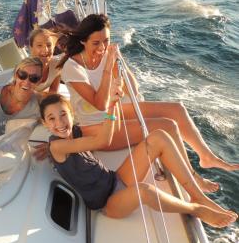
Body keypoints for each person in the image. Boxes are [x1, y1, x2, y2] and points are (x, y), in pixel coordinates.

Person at [58, 14, 238, 192]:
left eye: (106, 41)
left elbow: (133, 90)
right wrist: (107, 68)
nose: (102, 47)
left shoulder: (107, 55)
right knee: (167, 126)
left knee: (177, 109)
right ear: (83, 41)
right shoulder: (72, 68)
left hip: (113, 113)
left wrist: (119, 62)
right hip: (96, 127)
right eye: (96, 43)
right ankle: (192, 178)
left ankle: (206, 156)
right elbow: (100, 104)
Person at [38, 92, 237, 228]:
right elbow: (103, 140)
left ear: (72, 115)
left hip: (115, 180)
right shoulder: (57, 146)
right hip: (109, 203)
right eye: (52, 119)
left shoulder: (76, 132)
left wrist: (115, 107)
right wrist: (112, 107)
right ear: (45, 124)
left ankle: (197, 195)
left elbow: (109, 133)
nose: (60, 122)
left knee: (159, 136)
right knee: (144, 191)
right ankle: (196, 209)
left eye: (63, 114)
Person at [0, 57, 44, 147]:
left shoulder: (40, 104)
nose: (26, 82)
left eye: (34, 78)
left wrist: (49, 146)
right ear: (16, 75)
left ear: (39, 81)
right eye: (22, 75)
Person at [28, 28, 62, 94]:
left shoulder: (57, 64)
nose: (45, 50)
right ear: (31, 48)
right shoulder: (26, 70)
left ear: (53, 47)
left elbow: (53, 93)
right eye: (39, 45)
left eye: (49, 45)